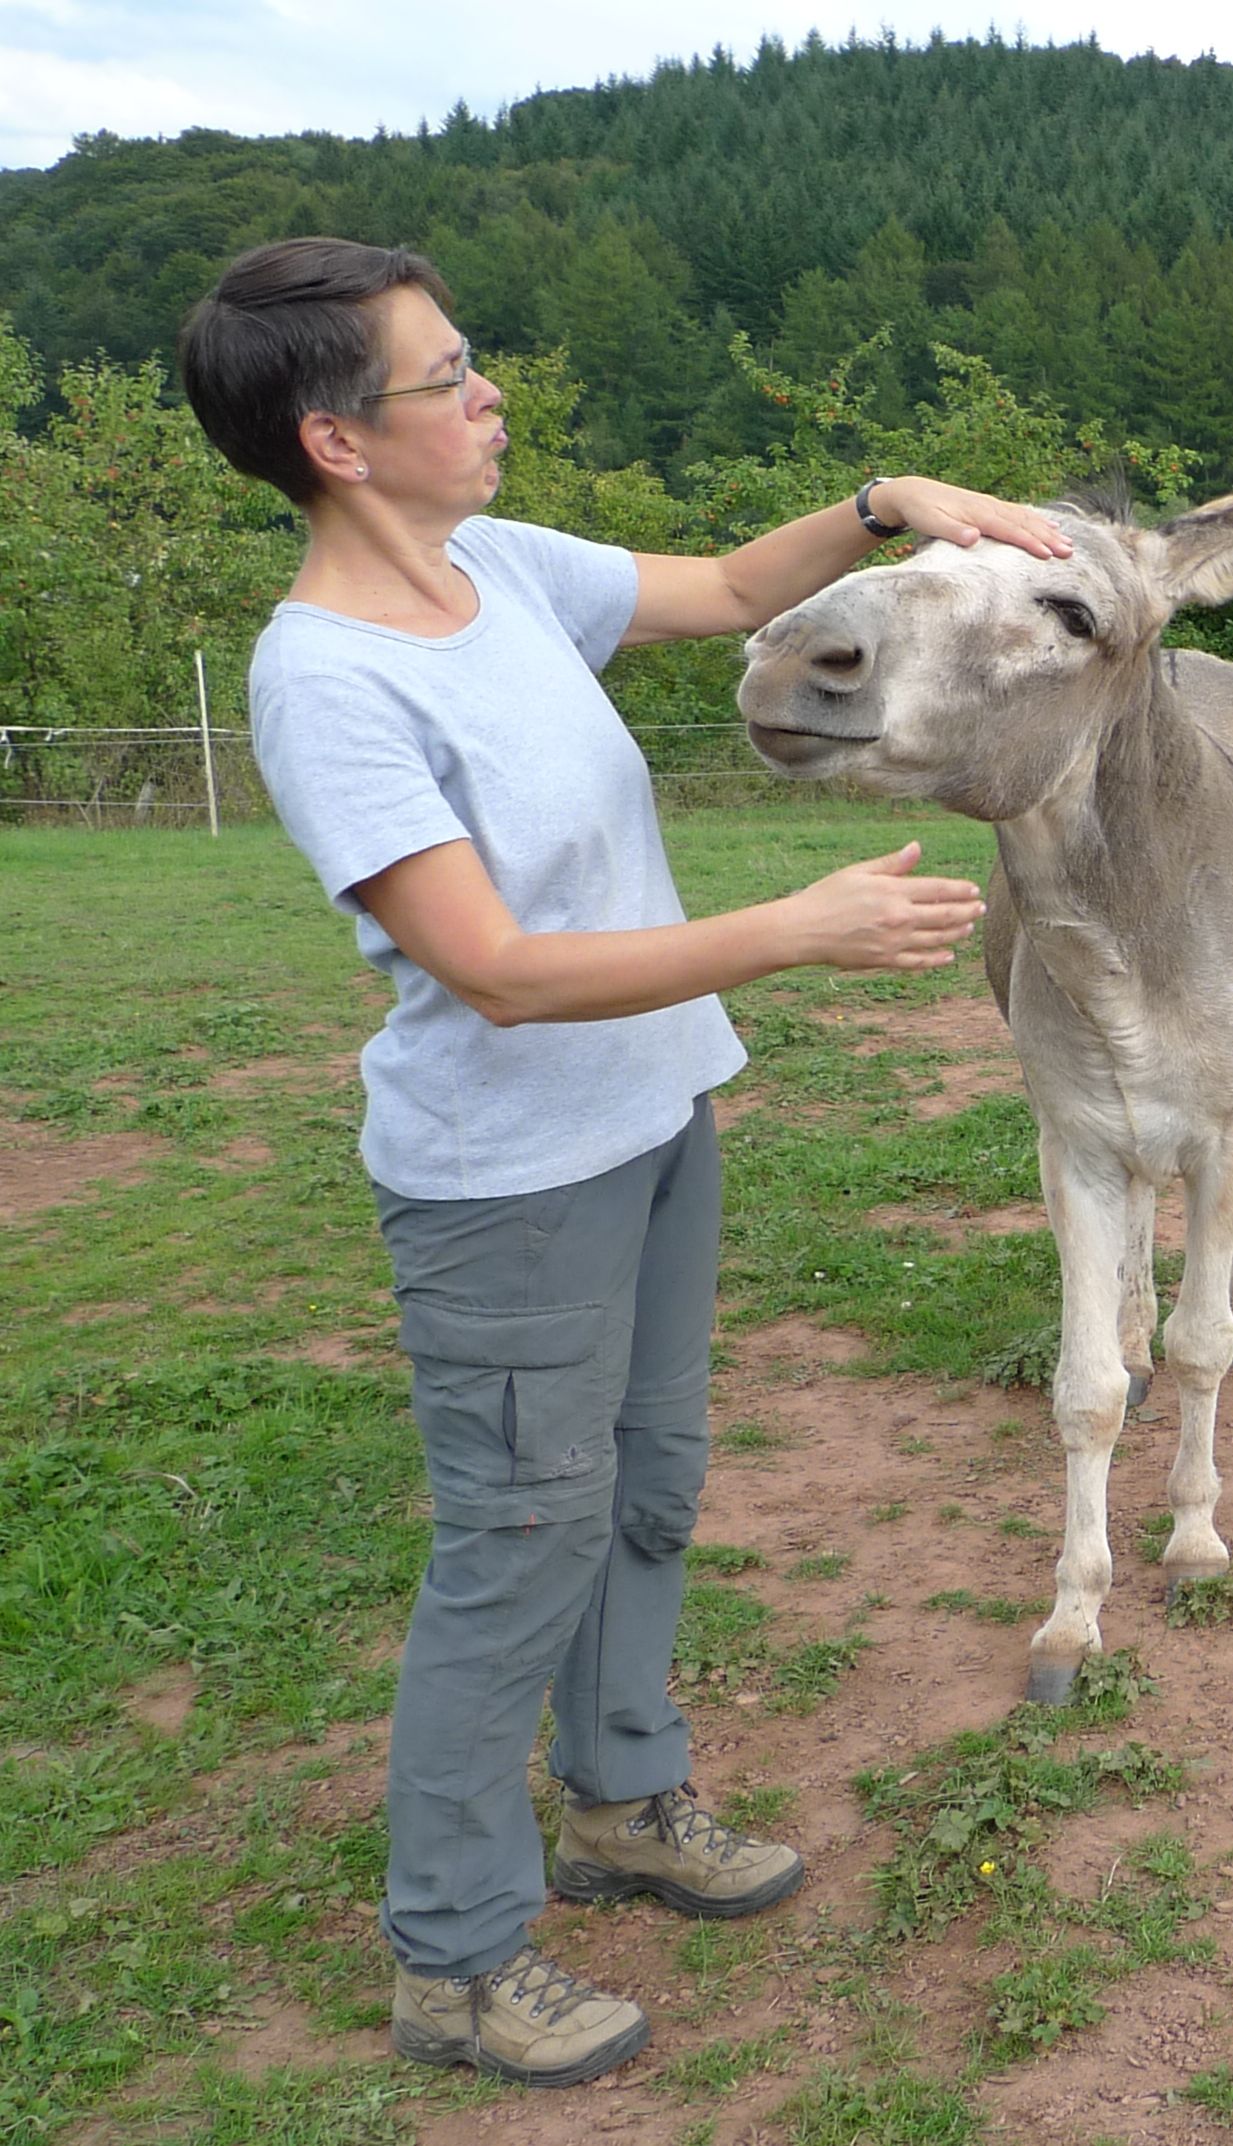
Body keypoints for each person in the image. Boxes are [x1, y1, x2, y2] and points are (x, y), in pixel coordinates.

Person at [176, 236, 1068, 2089]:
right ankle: (455, 1954)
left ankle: (622, 1798)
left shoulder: (495, 570)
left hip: (655, 1121)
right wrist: (789, 928)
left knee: (644, 1487)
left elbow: (739, 582)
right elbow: (491, 969)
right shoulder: (325, 679)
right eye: (451, 378)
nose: (488, 393)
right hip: (506, 1187)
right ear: (339, 442)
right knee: (515, 1540)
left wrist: (889, 502)